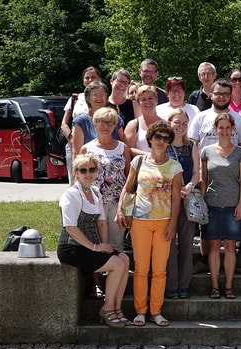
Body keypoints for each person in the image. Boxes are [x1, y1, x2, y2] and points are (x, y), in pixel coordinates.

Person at [116, 120, 182, 327]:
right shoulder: (139, 162)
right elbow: (127, 189)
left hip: (163, 222)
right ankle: (140, 312)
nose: (161, 141)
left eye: (165, 138)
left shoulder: (174, 166)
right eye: (158, 137)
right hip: (140, 221)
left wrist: (173, 224)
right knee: (142, 269)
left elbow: (176, 198)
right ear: (150, 139)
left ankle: (156, 311)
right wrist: (120, 209)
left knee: (160, 269)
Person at [57, 154, 131, 327]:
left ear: (97, 171)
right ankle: (107, 309)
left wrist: (106, 248)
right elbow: (71, 228)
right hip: (71, 248)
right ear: (76, 173)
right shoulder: (71, 195)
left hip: (89, 247)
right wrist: (96, 247)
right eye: (83, 170)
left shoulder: (95, 191)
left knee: (124, 259)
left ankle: (117, 309)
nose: (88, 173)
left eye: (92, 169)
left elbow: (102, 223)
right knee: (117, 264)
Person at [188, 78, 241, 275]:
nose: (221, 97)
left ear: (230, 95)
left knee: (231, 234)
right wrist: (197, 174)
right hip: (205, 175)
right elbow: (193, 146)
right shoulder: (201, 117)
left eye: (225, 93)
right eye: (218, 93)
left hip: (232, 178)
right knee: (206, 226)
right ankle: (206, 260)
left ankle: (232, 265)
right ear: (211, 95)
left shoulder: (238, 119)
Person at [200, 113, 241, 299]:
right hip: (211, 203)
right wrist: (202, 204)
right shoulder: (206, 152)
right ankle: (214, 285)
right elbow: (204, 179)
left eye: (228, 128)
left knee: (229, 246)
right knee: (213, 247)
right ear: (215, 129)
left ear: (233, 129)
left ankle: (228, 285)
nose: (224, 131)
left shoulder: (240, 152)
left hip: (232, 204)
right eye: (221, 127)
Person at [79, 107, 131, 253]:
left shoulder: (123, 148)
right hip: (94, 202)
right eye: (102, 122)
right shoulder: (86, 149)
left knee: (116, 244)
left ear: (115, 125)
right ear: (94, 124)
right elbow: (79, 178)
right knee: (97, 243)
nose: (106, 126)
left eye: (110, 122)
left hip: (117, 203)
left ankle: (117, 272)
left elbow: (128, 177)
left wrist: (124, 203)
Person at [164, 108, 200, 299]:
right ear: (169, 123)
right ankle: (171, 286)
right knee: (168, 243)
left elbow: (196, 171)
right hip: (166, 201)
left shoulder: (191, 146)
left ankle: (184, 285)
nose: (181, 126)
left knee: (186, 243)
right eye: (177, 122)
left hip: (186, 200)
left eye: (185, 123)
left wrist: (189, 186)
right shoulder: (163, 144)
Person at [60, 66, 102, 185]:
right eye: (87, 78)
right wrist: (71, 139)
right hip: (75, 142)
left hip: (96, 141)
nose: (90, 80)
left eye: (93, 77)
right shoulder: (75, 98)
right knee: (76, 175)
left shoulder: (103, 97)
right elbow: (64, 124)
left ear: (100, 79)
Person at [72, 81, 125, 158]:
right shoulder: (81, 121)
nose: (99, 98)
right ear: (88, 98)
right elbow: (76, 153)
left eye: (102, 94)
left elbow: (123, 147)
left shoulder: (116, 119)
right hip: (90, 167)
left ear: (107, 97)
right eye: (95, 95)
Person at [124, 85, 163, 156]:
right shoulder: (133, 125)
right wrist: (150, 156)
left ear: (156, 100)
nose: (147, 102)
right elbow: (127, 149)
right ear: (138, 103)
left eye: (150, 98)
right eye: (143, 99)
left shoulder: (165, 124)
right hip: (140, 165)